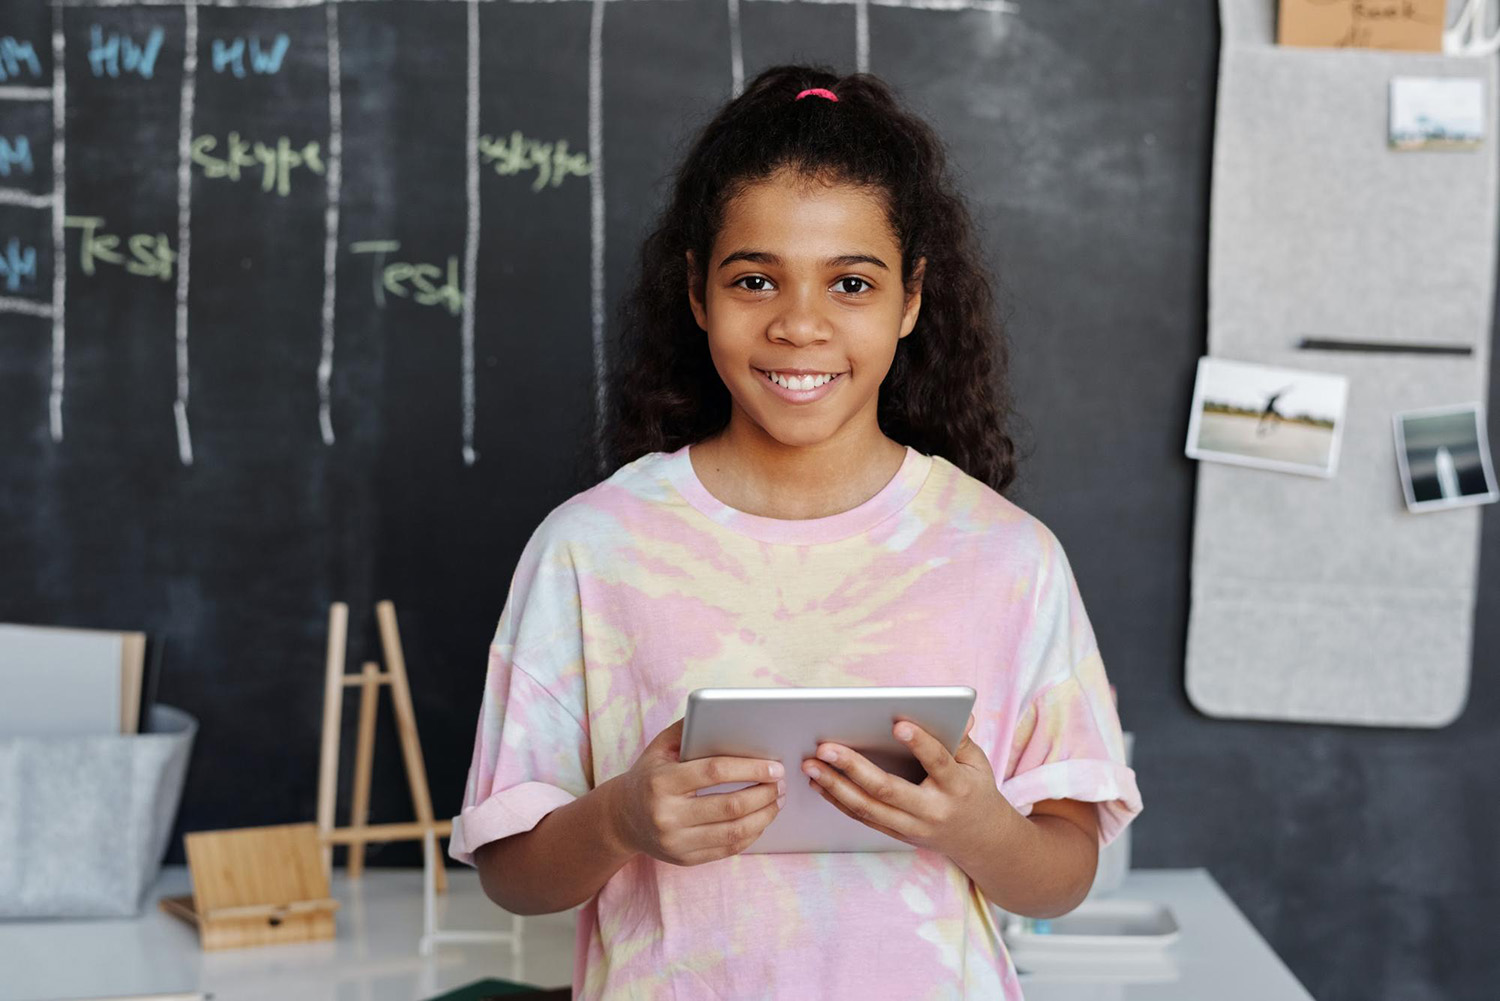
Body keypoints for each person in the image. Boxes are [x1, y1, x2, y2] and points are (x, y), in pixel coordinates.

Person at [448, 65, 1143, 999]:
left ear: (911, 299)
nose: (801, 325)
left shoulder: (1007, 558)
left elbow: (1062, 874)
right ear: (697, 292)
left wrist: (977, 825)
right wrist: (619, 821)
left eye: (851, 282)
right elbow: (512, 876)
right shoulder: (592, 549)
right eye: (755, 278)